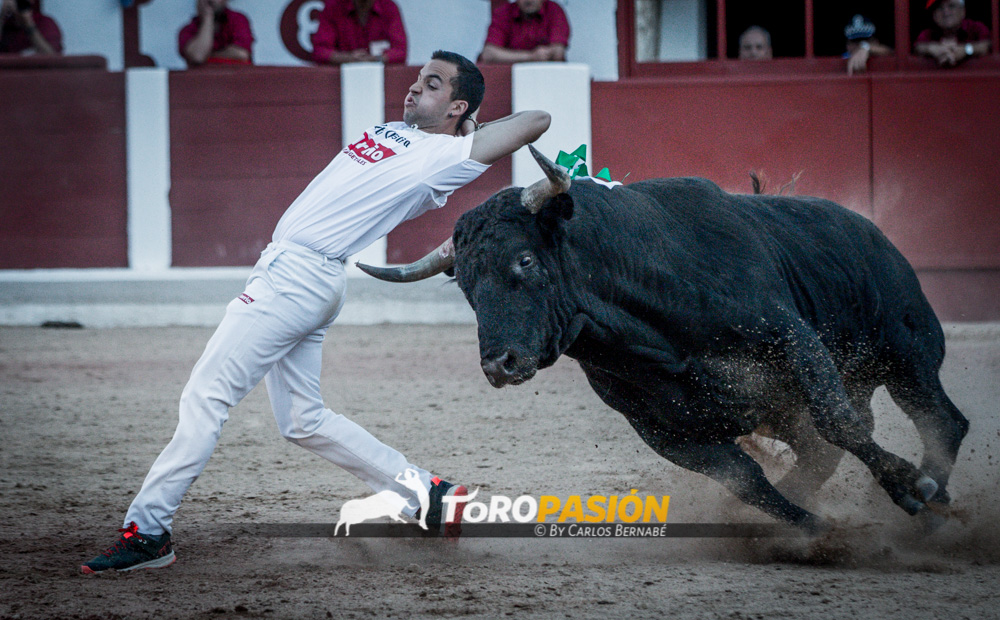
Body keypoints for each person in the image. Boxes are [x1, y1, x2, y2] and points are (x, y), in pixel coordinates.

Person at [80, 50, 551, 574]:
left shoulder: (445, 157)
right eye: (419, 79)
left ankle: (147, 532)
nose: (415, 88)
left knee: (205, 396)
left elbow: (537, 120)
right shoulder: (398, 132)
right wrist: (458, 120)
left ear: (457, 107)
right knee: (302, 420)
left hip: (296, 278)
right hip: (304, 275)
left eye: (434, 84)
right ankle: (429, 496)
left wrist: (471, 129)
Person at [311, 0, 407, 65]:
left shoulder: (388, 7)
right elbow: (320, 51)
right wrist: (348, 58)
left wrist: (375, 59)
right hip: (340, 80)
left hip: (381, 79)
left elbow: (400, 51)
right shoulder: (333, 7)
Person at [479, 0, 570, 63]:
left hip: (546, 77)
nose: (529, 0)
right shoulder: (503, 13)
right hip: (508, 78)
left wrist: (509, 56)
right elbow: (489, 54)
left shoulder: (553, 10)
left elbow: (558, 53)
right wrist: (531, 56)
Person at [914, 0, 991, 67]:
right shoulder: (928, 32)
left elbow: (986, 45)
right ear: (933, 15)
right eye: (939, 8)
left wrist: (965, 50)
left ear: (963, 11)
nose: (946, 12)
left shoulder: (976, 28)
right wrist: (933, 49)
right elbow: (918, 47)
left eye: (951, 6)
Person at [178, 0, 254, 67]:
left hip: (237, 77)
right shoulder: (187, 30)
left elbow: (241, 54)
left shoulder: (238, 20)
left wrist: (207, 56)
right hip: (203, 78)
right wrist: (208, 17)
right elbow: (198, 56)